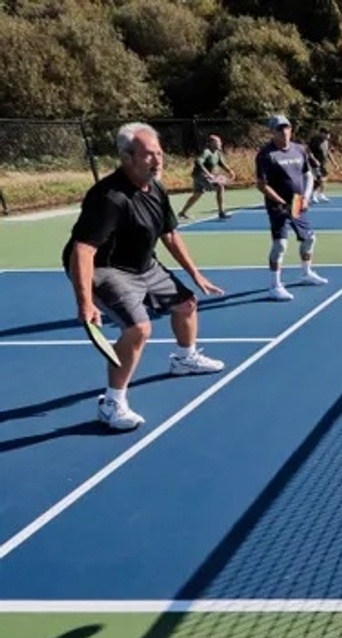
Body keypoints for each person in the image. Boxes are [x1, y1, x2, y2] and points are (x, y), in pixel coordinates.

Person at [63, 121, 226, 431]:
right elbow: (82, 251)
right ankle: (112, 403)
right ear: (127, 157)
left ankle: (184, 358)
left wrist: (196, 275)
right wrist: (85, 303)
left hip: (143, 264)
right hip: (105, 268)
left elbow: (170, 235)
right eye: (149, 155)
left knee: (187, 304)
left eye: (160, 153)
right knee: (139, 329)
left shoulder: (156, 188)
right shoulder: (109, 197)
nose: (158, 160)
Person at [255, 114, 327, 301]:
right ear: (272, 132)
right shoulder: (266, 155)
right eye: (279, 128)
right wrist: (280, 202)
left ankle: (306, 273)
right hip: (278, 206)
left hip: (297, 203)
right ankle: (275, 285)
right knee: (280, 245)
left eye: (287, 127)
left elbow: (308, 175)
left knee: (309, 239)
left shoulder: (299, 150)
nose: (284, 131)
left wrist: (307, 196)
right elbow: (262, 185)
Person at [178, 134, 235, 220]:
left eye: (220, 141)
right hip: (200, 175)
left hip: (199, 176)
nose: (220, 143)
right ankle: (222, 212)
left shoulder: (217, 153)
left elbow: (221, 163)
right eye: (218, 142)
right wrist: (208, 174)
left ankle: (182, 212)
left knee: (197, 194)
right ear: (211, 143)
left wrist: (230, 171)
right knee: (220, 186)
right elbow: (198, 162)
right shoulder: (206, 152)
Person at [307, 127, 337, 203]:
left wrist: (334, 163)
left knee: (323, 179)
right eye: (326, 133)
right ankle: (313, 195)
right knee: (319, 179)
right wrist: (314, 160)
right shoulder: (315, 140)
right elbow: (308, 151)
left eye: (329, 133)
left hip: (323, 163)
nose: (328, 135)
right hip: (315, 164)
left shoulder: (326, 141)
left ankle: (321, 194)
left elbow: (328, 152)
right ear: (321, 133)